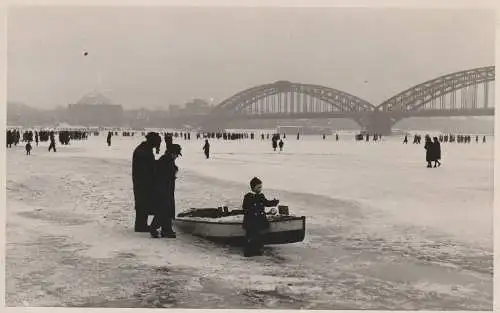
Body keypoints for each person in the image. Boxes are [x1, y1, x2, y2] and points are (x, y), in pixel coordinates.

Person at [242, 177, 279, 257]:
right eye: (258, 187)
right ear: (253, 187)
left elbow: (266, 203)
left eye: (261, 187)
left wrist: (274, 202)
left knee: (259, 236)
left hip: (259, 220)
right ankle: (248, 252)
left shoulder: (261, 196)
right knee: (250, 236)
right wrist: (252, 210)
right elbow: (245, 207)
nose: (260, 189)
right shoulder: (248, 197)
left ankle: (258, 250)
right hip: (251, 220)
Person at [150, 143, 182, 238]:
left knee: (167, 209)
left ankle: (166, 229)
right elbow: (163, 175)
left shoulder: (167, 160)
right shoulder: (165, 161)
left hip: (166, 189)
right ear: (172, 153)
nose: (177, 157)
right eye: (176, 154)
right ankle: (155, 228)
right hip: (162, 189)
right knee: (163, 209)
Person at [132, 132, 161, 232]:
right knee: (142, 203)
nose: (158, 144)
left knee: (143, 203)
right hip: (142, 182)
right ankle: (140, 226)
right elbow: (147, 168)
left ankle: (141, 224)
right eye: (157, 142)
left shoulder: (145, 149)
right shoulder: (143, 151)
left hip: (143, 181)